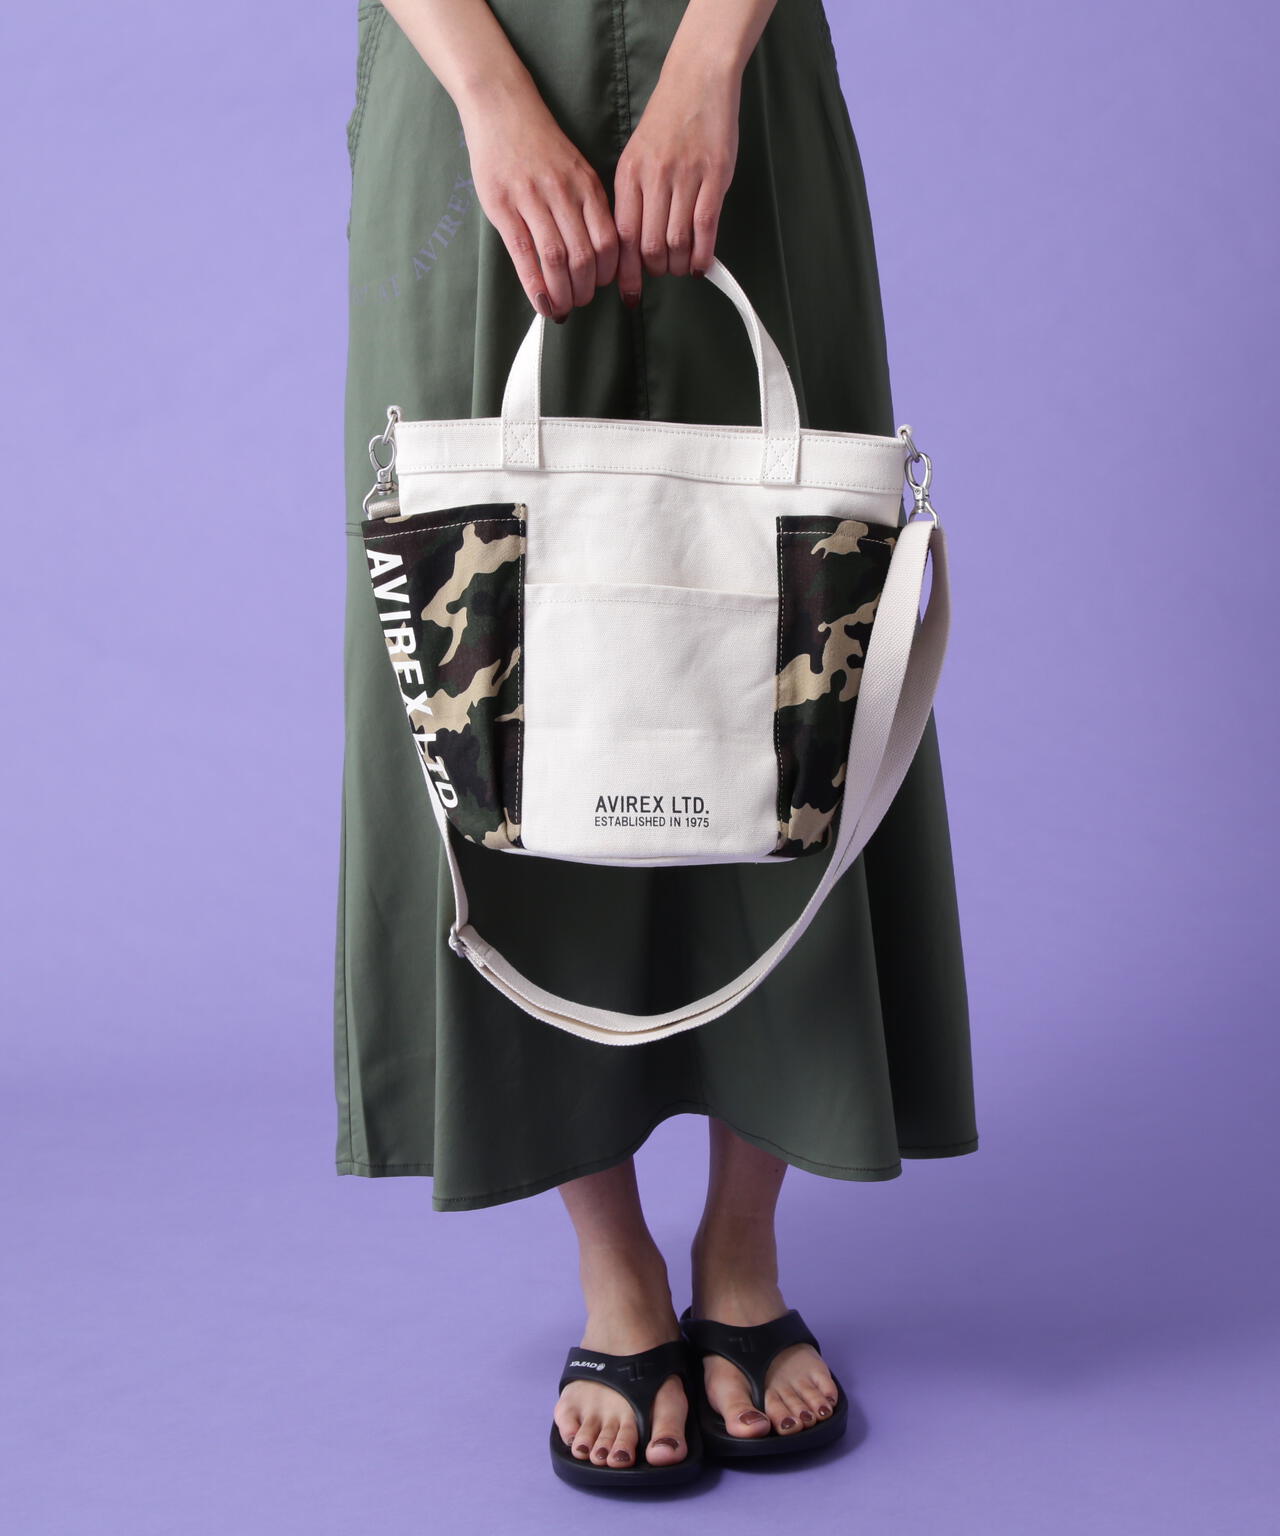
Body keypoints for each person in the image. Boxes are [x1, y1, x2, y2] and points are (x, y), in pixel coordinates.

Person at [338, 0, 979, 1487]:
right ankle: (613, 1263)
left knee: (796, 628)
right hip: (464, 99)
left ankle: (741, 1248)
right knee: (492, 673)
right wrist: (491, 97)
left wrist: (708, 62)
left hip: (740, 77)